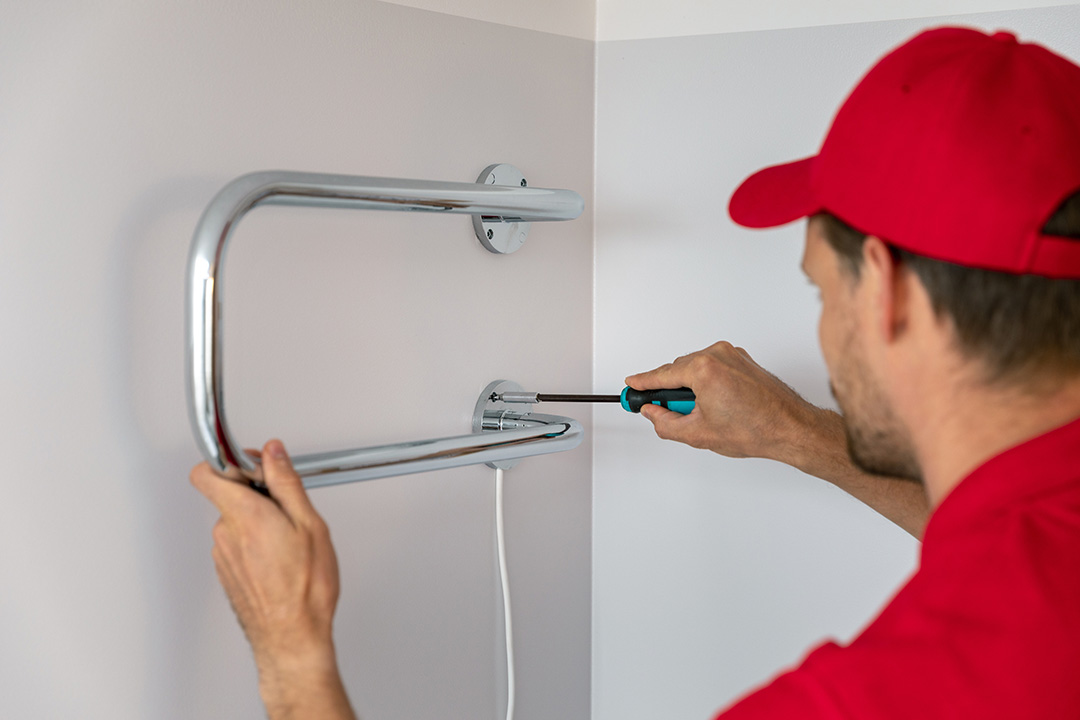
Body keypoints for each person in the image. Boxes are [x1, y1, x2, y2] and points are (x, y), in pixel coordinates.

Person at [190, 25, 1080, 719]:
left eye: (819, 289)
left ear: (885, 290)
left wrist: (293, 657)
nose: (822, 324)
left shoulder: (898, 695)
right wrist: (797, 435)